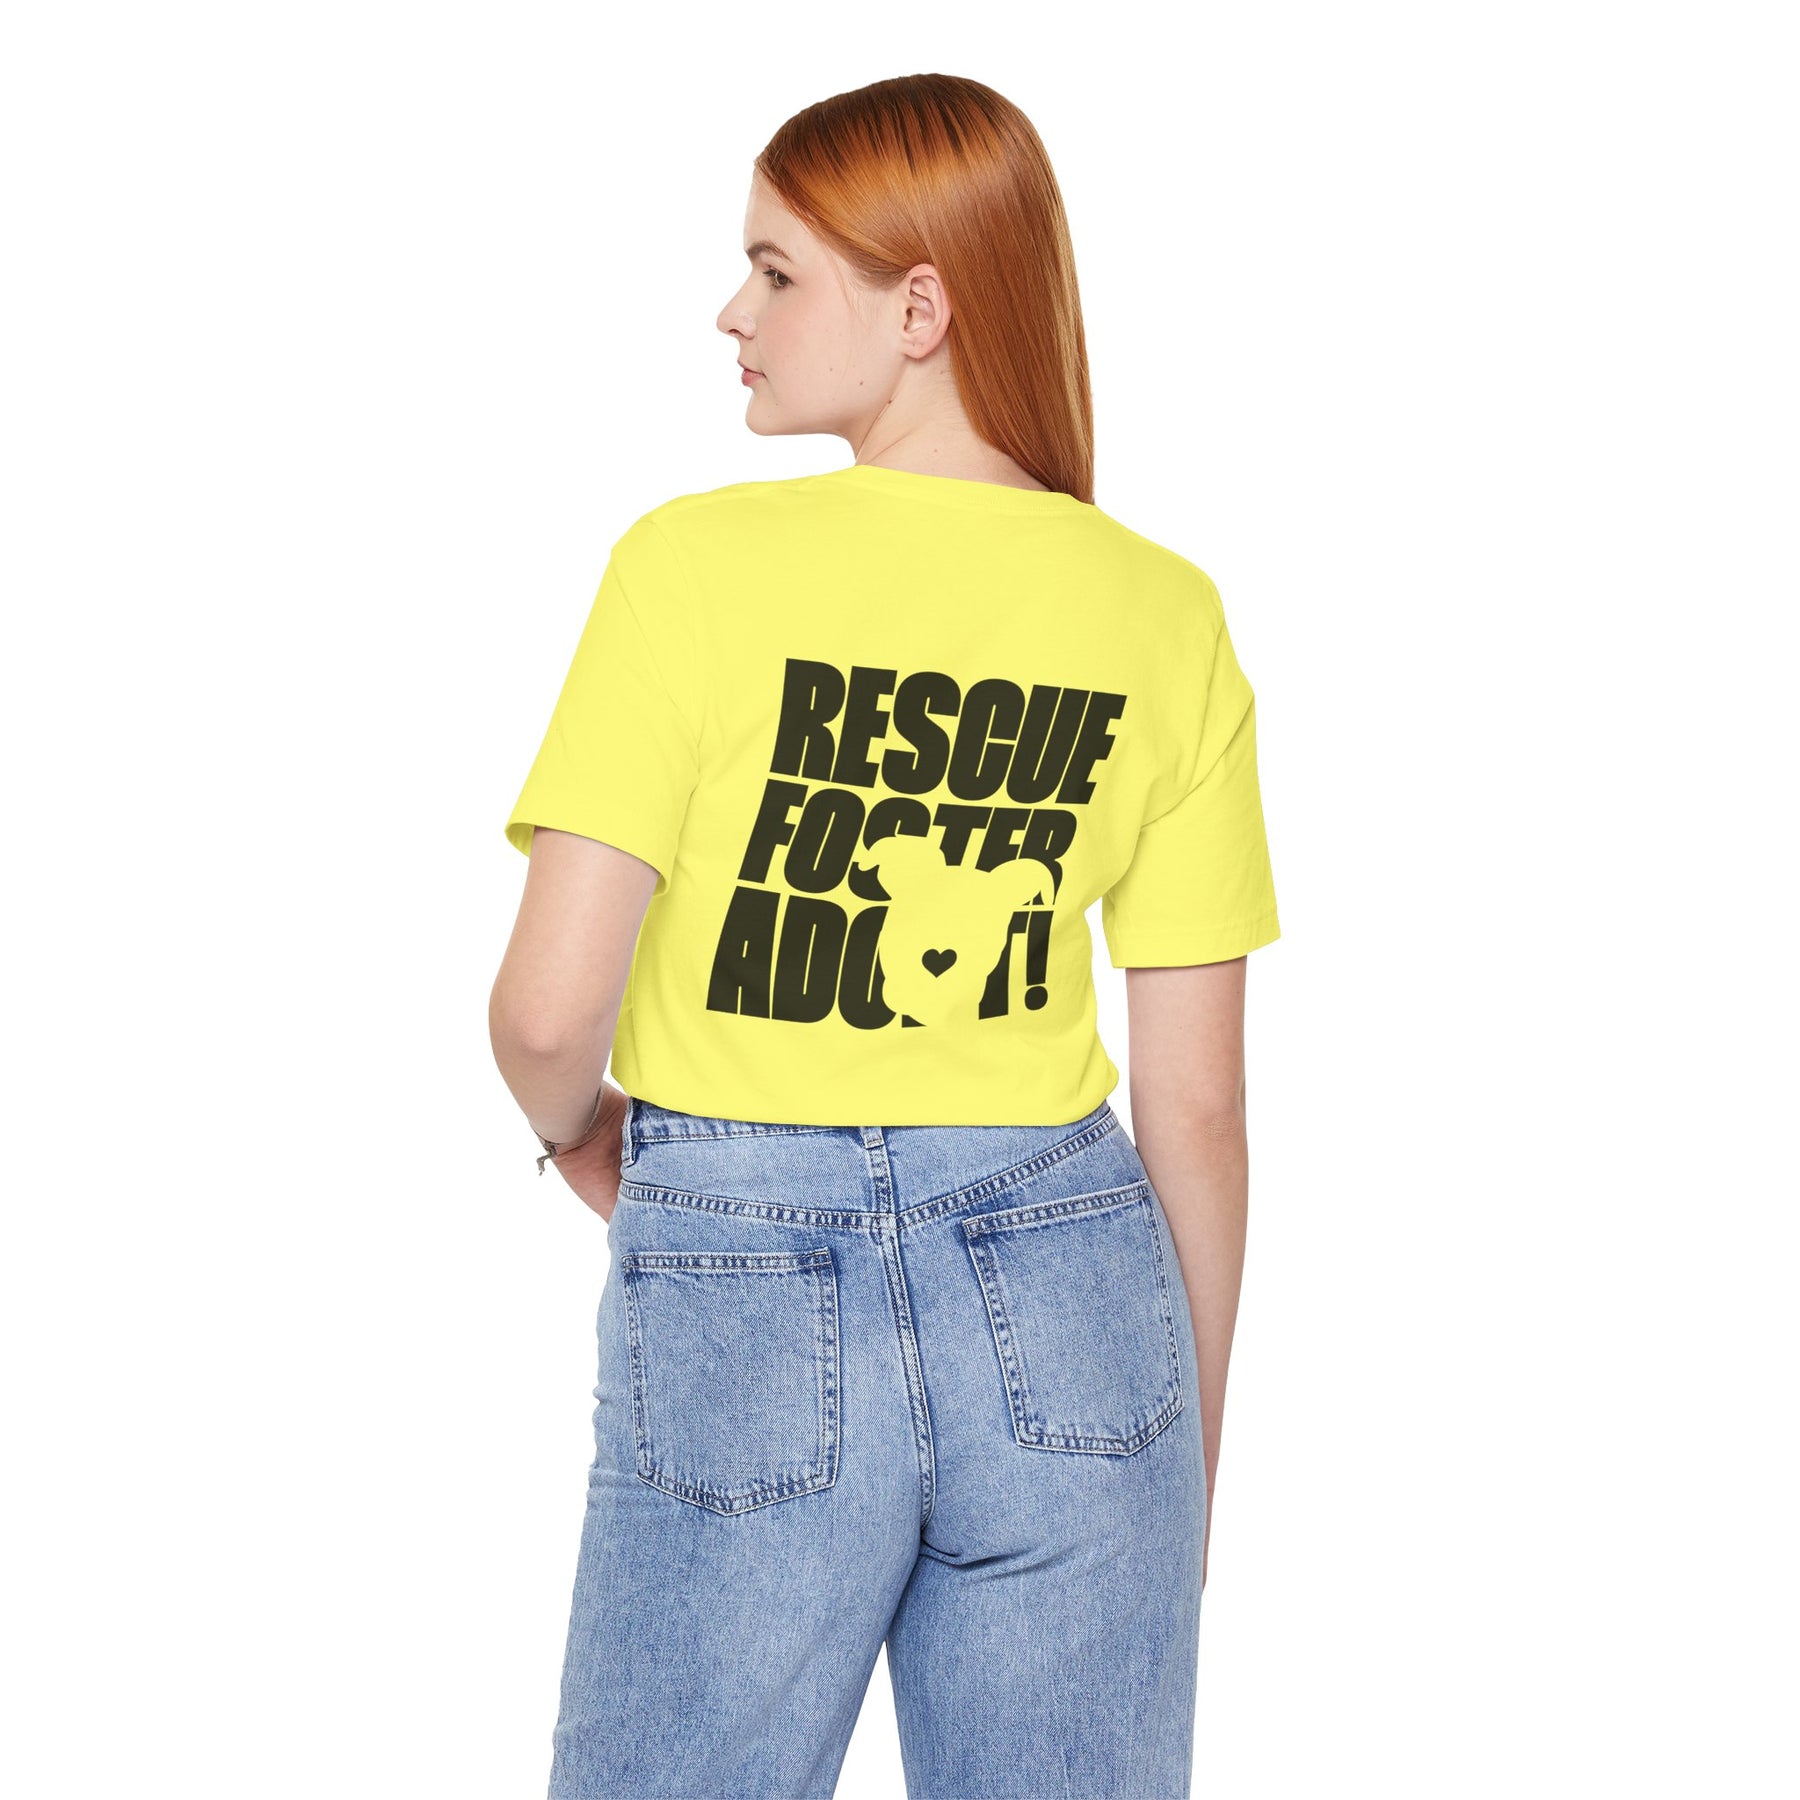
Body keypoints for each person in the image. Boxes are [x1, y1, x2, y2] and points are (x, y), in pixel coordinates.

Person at [488, 71, 1280, 1800]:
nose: (733, 311)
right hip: (1079, 1298)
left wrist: (588, 1142)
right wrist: (1181, 1464)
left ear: (921, 308)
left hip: (743, 1272)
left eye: (777, 272)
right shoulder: (1166, 612)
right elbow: (1200, 1113)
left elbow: (548, 1014)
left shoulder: (690, 567)